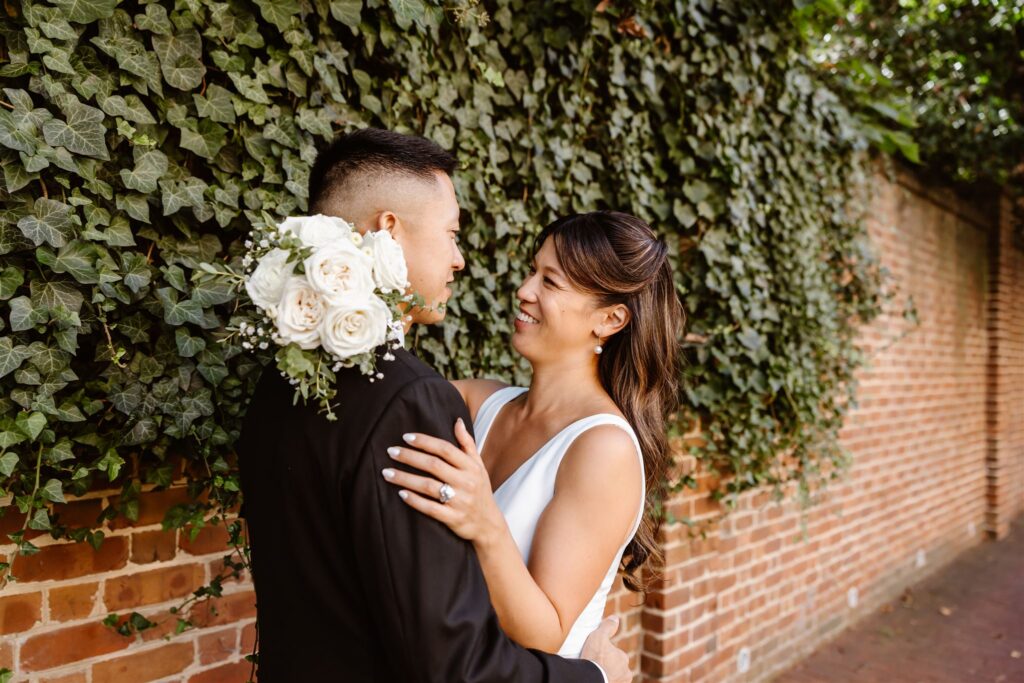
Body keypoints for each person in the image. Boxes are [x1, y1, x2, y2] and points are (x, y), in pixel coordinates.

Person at [237, 129, 631, 682]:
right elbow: (451, 663)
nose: (461, 259)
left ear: (611, 319)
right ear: (389, 230)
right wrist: (597, 677)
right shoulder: (420, 400)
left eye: (552, 280)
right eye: (451, 234)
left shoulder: (286, 380)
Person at [382, 211, 683, 655]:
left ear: (611, 319)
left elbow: (546, 631)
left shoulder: (603, 449)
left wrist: (485, 524)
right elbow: (378, 389)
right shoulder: (480, 403)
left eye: (551, 282)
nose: (524, 291)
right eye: (532, 271)